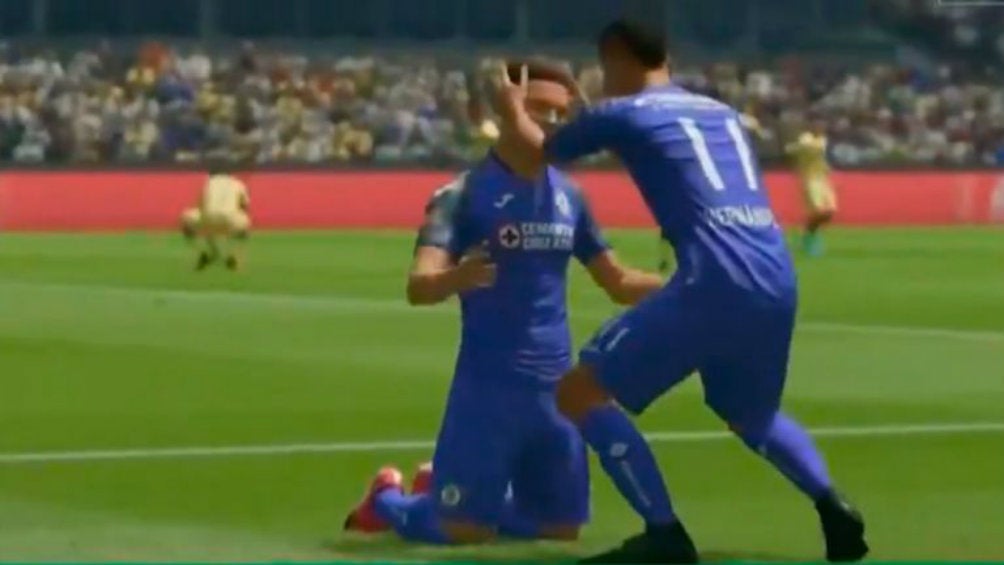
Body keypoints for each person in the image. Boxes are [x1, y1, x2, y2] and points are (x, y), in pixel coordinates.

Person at [495, 20, 868, 564]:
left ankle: (664, 533)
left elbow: (537, 154)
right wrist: (592, 113)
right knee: (751, 413)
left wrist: (510, 108)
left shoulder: (620, 112)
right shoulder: (720, 113)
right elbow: (654, 145)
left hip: (712, 278)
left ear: (617, 58)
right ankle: (834, 508)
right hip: (775, 274)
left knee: (579, 393)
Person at [343, 61, 665, 546]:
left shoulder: (570, 197)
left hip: (556, 390)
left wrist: (689, 284)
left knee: (560, 530)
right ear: (508, 108)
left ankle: (448, 492)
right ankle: (388, 498)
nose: (552, 122)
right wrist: (456, 278)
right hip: (488, 389)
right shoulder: (464, 194)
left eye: (560, 113)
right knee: (463, 532)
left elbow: (617, 281)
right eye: (539, 109)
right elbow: (419, 286)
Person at [180, 162, 250, 271]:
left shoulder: (209, 183)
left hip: (208, 219)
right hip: (230, 220)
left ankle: (205, 252)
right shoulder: (238, 184)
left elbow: (201, 206)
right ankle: (233, 254)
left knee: (188, 218)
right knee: (245, 222)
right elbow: (245, 206)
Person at [787, 119, 837, 257]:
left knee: (831, 210)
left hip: (822, 179)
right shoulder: (805, 138)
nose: (821, 128)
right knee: (819, 211)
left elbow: (816, 150)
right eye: (818, 126)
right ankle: (810, 238)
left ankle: (808, 234)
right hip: (810, 180)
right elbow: (810, 148)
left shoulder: (820, 140)